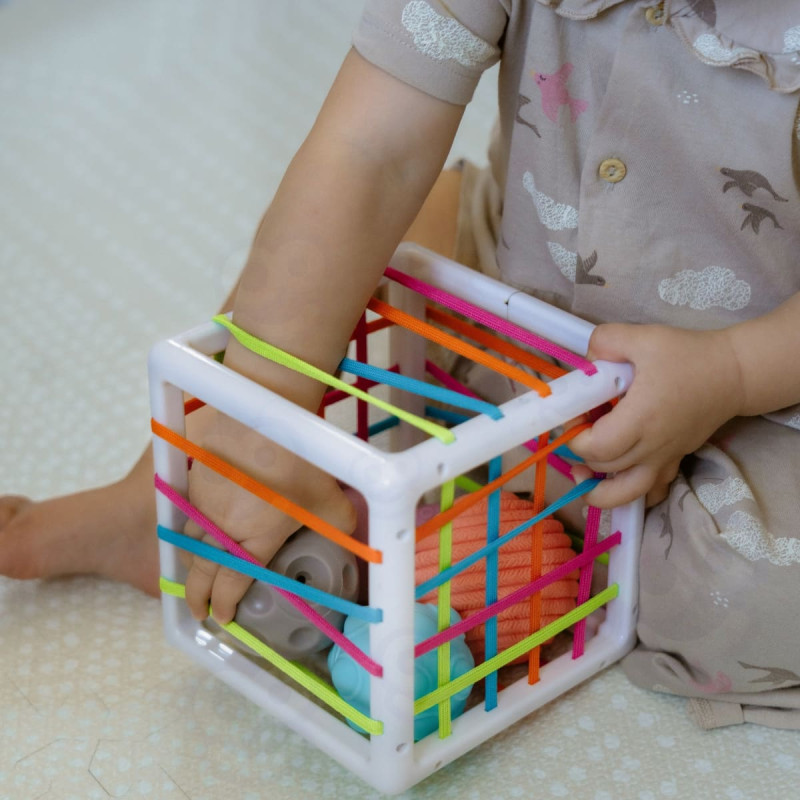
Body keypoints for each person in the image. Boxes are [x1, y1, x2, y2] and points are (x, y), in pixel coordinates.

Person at [2, 0, 800, 729]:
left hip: (737, 389)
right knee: (329, 260)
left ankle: (515, 533)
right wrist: (260, 421)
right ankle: (167, 491)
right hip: (516, 276)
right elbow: (371, 151)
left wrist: (731, 370)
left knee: (748, 595)